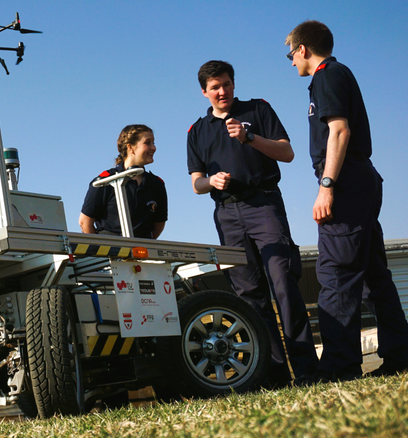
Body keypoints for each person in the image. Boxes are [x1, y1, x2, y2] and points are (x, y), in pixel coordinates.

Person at [285, 21, 408, 381]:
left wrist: (327, 186)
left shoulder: (327, 75)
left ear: (303, 49)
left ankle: (339, 367)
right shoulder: (337, 74)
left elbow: (339, 131)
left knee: (335, 273)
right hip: (361, 180)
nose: (291, 62)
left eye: (290, 54)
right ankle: (400, 354)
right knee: (373, 275)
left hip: (346, 181)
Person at [187, 60, 318, 387]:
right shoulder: (196, 131)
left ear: (233, 84)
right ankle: (273, 376)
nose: (222, 91)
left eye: (227, 84)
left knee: (284, 285)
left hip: (264, 205)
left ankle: (307, 371)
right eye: (215, 87)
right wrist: (211, 182)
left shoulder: (258, 110)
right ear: (204, 92)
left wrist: (250, 138)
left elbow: (287, 153)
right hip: (228, 214)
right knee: (249, 296)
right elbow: (196, 183)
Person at [79, 124, 167, 239]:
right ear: (130, 147)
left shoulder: (157, 184)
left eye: (153, 143)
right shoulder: (105, 181)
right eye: (147, 143)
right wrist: (99, 249)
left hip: (143, 251)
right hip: (110, 250)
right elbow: (85, 222)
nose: (153, 148)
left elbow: (159, 223)